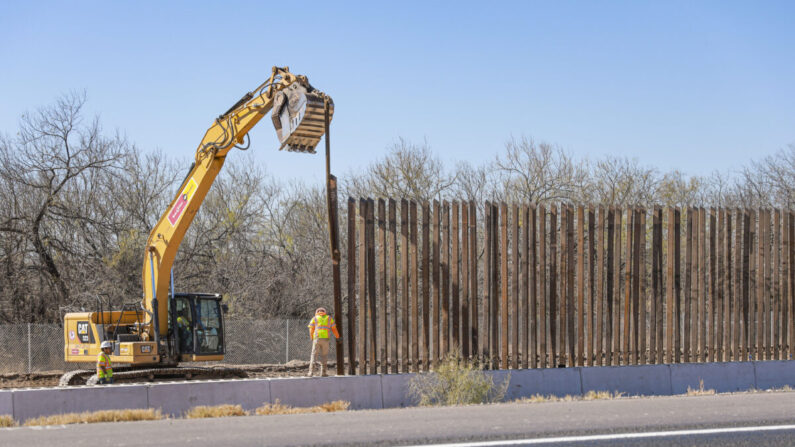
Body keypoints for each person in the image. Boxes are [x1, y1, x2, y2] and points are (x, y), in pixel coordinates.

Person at [307, 307, 340, 377]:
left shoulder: (314, 318)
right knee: (324, 355)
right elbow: (334, 329)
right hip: (326, 339)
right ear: (325, 312)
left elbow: (311, 329)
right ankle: (323, 373)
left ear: (317, 312)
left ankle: (311, 372)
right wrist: (338, 337)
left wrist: (312, 338)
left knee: (314, 355)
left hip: (317, 339)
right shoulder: (329, 318)